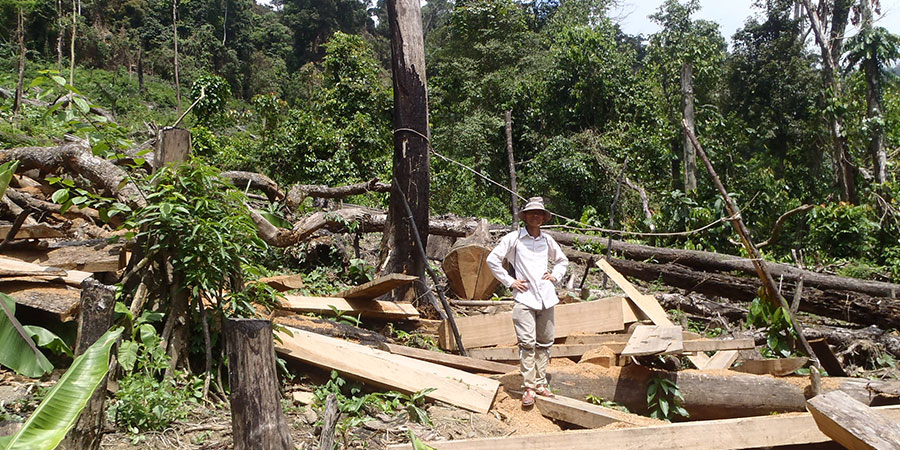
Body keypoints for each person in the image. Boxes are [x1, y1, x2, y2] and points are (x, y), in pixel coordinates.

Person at [486, 196, 568, 407]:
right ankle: (529, 387)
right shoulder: (514, 239)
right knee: (527, 343)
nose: (536, 217)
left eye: (539, 214)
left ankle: (541, 383)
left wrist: (555, 276)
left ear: (543, 217)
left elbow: (562, 260)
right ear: (525, 216)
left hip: (546, 297)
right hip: (524, 298)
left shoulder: (547, 240)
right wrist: (510, 281)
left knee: (545, 342)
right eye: (532, 213)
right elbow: (492, 259)